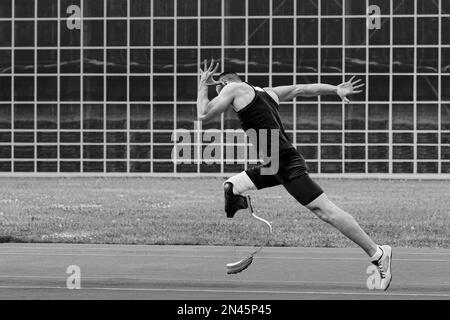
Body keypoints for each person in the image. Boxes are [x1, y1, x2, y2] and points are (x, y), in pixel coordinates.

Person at [196, 59, 392, 290]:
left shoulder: (233, 87)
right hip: (274, 164)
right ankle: (238, 201)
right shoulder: (267, 93)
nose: (222, 97)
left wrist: (202, 85)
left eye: (220, 90)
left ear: (225, 84)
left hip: (285, 163)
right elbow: (302, 89)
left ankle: (378, 252)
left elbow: (203, 113)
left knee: (325, 211)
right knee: (232, 185)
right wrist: (335, 89)